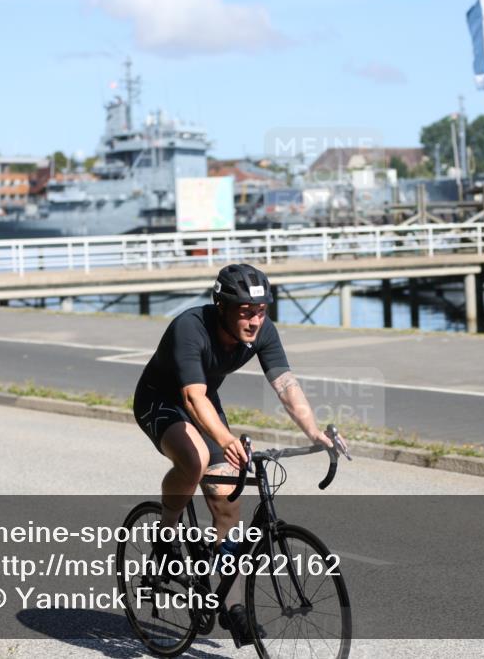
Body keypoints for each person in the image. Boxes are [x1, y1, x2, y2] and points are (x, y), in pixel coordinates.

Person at [133, 263, 346, 645]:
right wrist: (226, 439)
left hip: (204, 403)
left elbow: (285, 384)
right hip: (162, 400)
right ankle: (166, 533)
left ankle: (231, 605)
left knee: (228, 500)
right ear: (222, 307)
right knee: (196, 457)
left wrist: (314, 431)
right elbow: (190, 396)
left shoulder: (263, 331)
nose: (254, 320)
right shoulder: (189, 328)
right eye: (246, 311)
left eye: (261, 311)